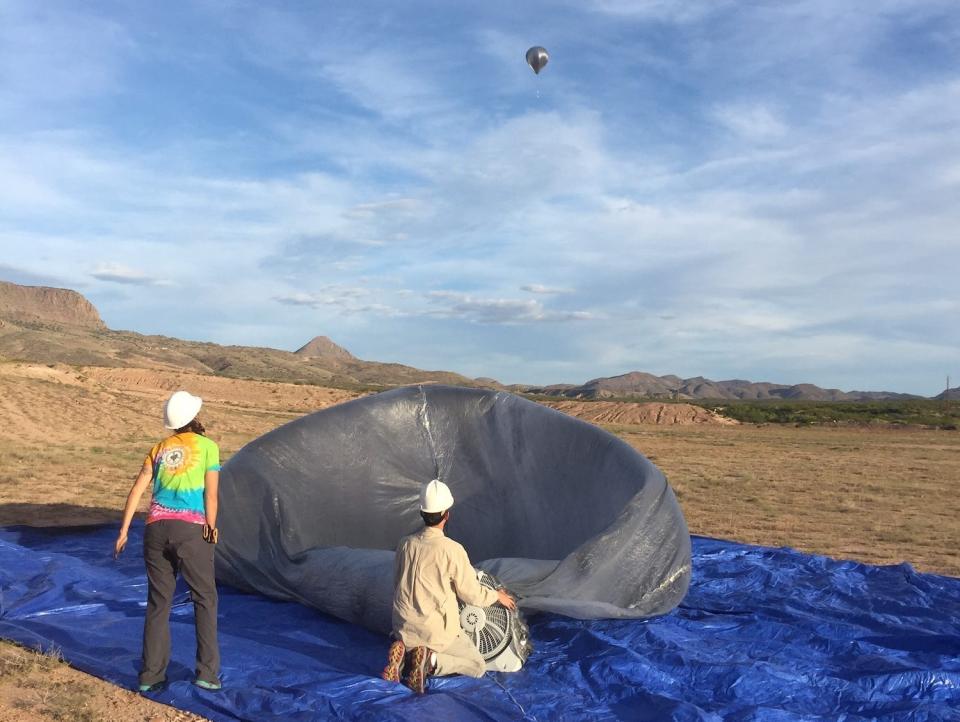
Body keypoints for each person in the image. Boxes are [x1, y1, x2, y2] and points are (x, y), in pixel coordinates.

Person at [114, 390, 222, 693]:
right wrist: (211, 526)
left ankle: (150, 676)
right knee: (205, 598)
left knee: (158, 603)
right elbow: (210, 494)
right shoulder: (208, 448)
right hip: (191, 530)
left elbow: (136, 491)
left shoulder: (158, 449)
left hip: (155, 530)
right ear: (195, 418)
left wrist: (123, 531)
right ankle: (207, 674)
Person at [383, 479, 517, 694]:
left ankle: (406, 653)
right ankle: (431, 660)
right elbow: (471, 594)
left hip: (403, 626)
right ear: (447, 515)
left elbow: (397, 581)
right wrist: (496, 595)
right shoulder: (452, 550)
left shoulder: (405, 544)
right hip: (435, 633)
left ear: (421, 513)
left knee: (413, 640)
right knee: (477, 666)